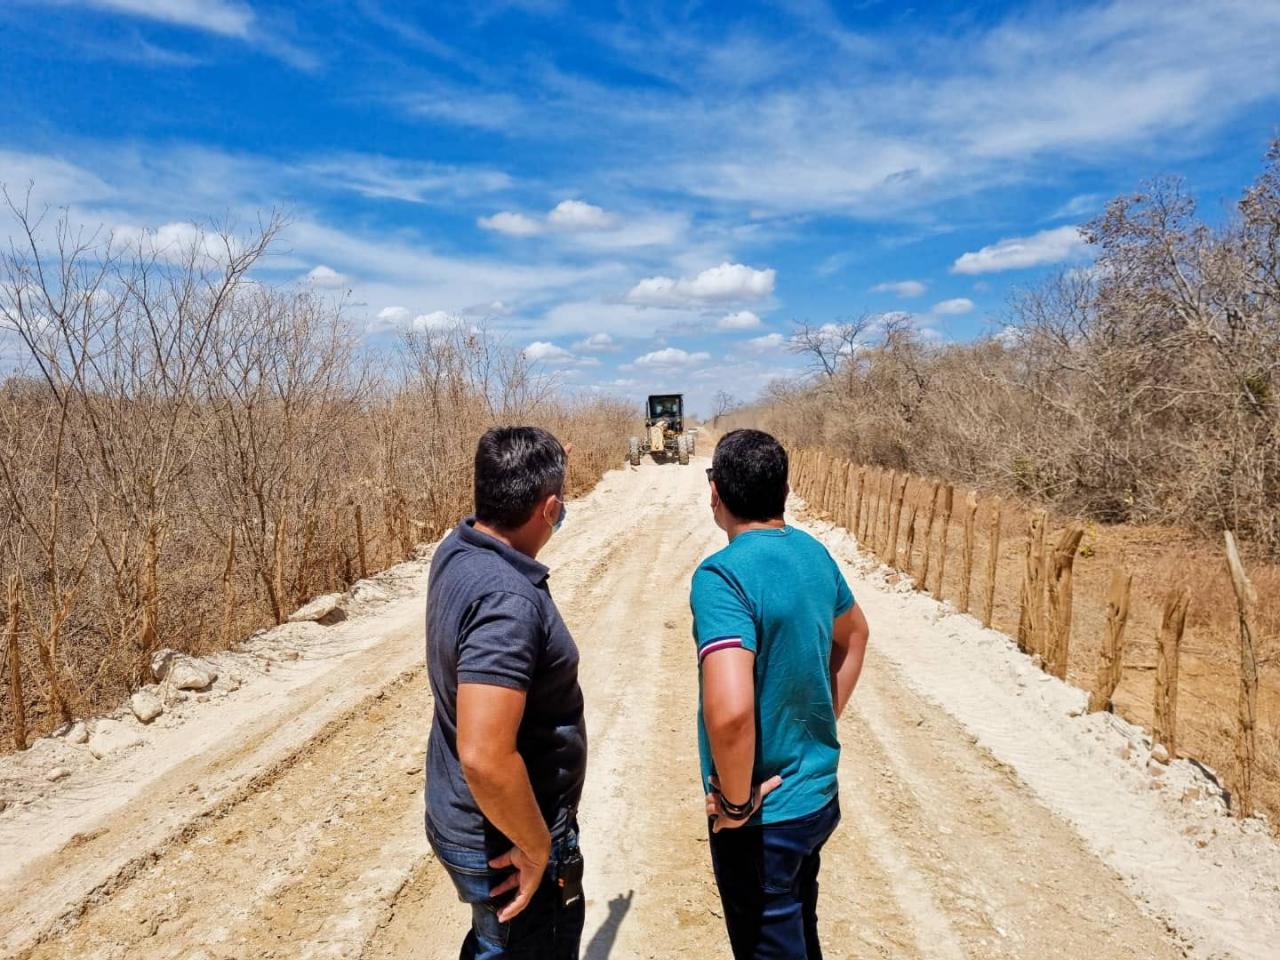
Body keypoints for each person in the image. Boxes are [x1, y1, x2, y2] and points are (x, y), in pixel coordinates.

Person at [691, 428, 870, 960]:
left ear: (715, 493)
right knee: (798, 923)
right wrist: (821, 718)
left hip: (766, 819)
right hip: (817, 799)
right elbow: (855, 635)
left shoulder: (722, 576)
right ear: (784, 490)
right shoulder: (815, 554)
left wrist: (737, 802)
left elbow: (729, 714)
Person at [425, 425, 586, 959]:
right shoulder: (507, 601)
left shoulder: (460, 545)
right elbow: (486, 753)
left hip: (466, 817)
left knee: (497, 942)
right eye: (558, 506)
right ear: (547, 507)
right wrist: (538, 846)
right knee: (521, 945)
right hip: (507, 836)